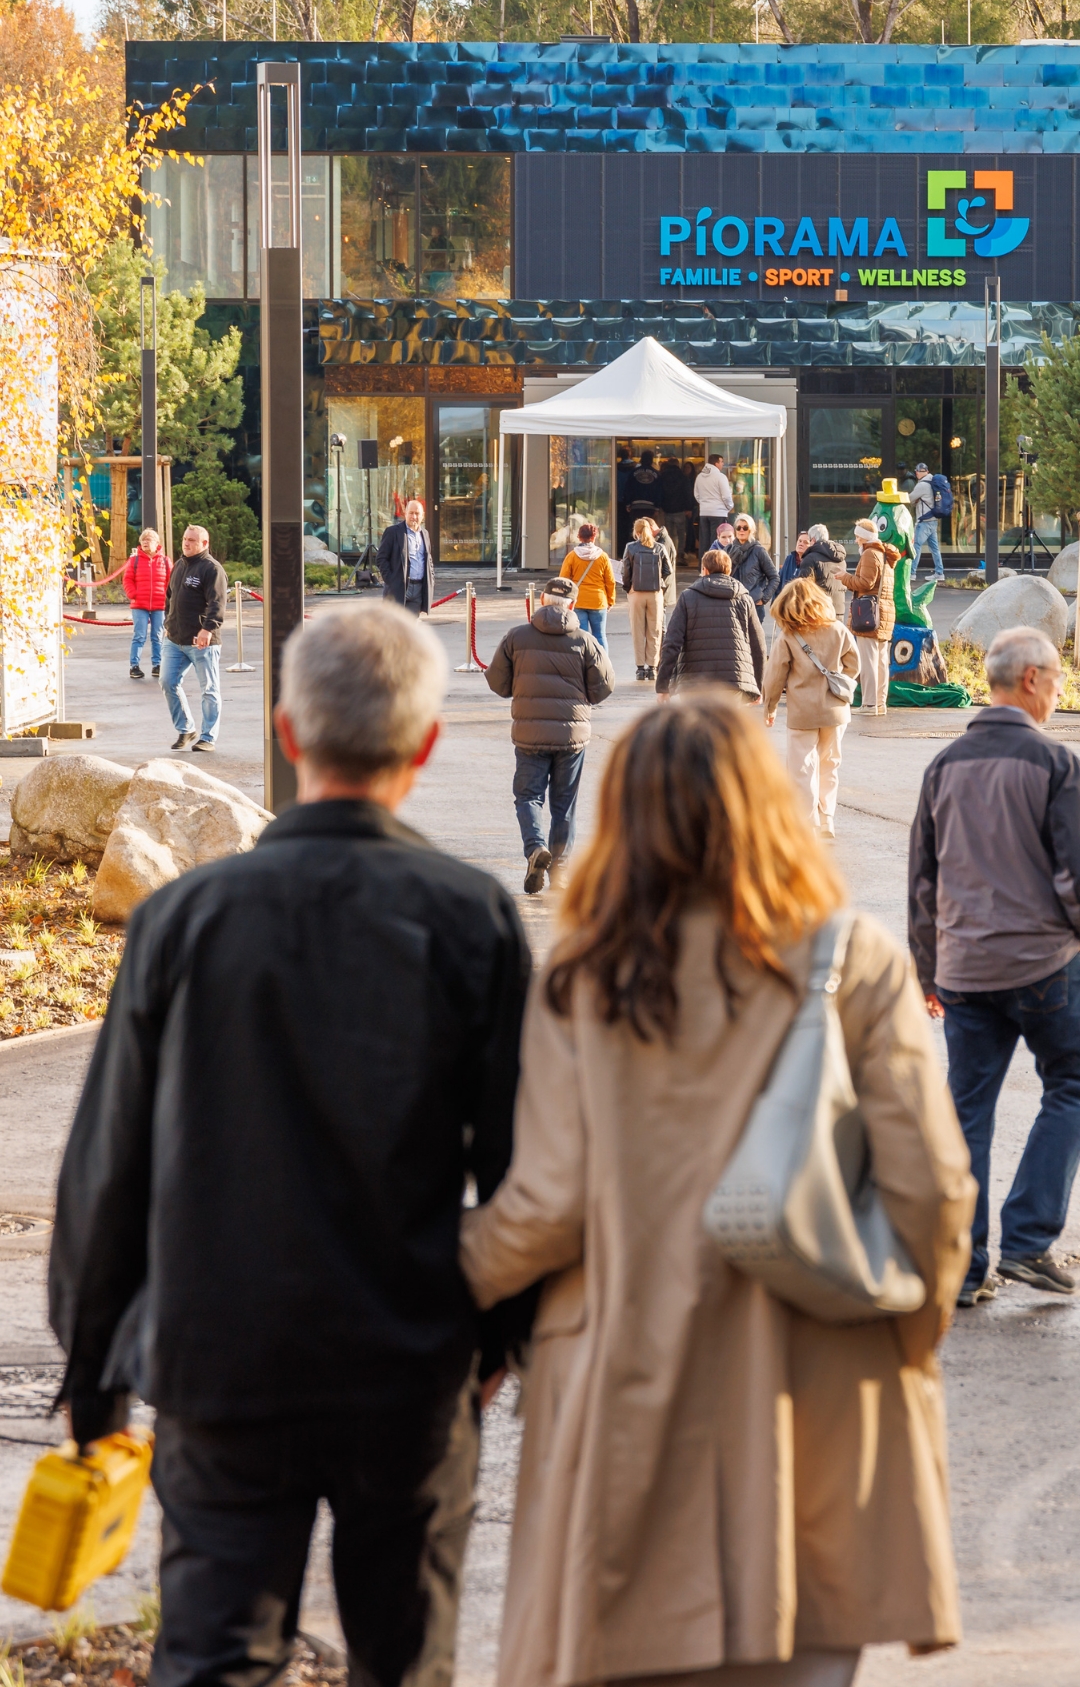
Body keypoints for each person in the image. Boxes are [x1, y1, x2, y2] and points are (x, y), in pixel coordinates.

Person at [48, 602, 533, 1687]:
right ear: (427, 745)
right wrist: (498, 1343)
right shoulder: (471, 917)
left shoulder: (185, 919)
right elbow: (519, 1167)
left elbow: (109, 1156)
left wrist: (94, 1375)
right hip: (406, 1360)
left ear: (286, 730)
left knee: (216, 1658)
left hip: (221, 1356)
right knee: (404, 1661)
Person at [460, 694, 975, 1687]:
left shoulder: (580, 978)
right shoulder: (854, 960)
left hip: (630, 1396)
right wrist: (905, 1339)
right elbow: (936, 1194)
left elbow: (546, 1208)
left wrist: (434, 1278)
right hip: (823, 1394)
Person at [909, 624, 1080, 1306]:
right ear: (1032, 680)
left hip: (963, 969)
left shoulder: (943, 766)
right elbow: (1073, 879)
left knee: (967, 1107)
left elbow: (923, 882)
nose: (1061, 694)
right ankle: (1031, 1239)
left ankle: (964, 1265)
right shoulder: (1054, 765)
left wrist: (928, 971)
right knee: (1071, 1081)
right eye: (1059, 682)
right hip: (1041, 964)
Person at [485, 576, 615, 894]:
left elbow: (498, 682)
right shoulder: (585, 640)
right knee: (564, 803)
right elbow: (605, 686)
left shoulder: (516, 637)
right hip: (572, 735)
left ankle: (534, 849)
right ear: (572, 605)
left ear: (541, 599)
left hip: (529, 733)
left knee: (528, 796)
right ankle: (561, 870)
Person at [763, 577, 859, 838]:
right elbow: (854, 665)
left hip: (802, 711)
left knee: (801, 767)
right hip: (836, 710)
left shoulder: (788, 636)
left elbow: (775, 677)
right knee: (830, 764)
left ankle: (806, 825)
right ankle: (827, 819)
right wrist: (838, 682)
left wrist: (770, 707)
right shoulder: (838, 629)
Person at [656, 547, 765, 703]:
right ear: (729, 570)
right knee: (727, 727)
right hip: (734, 682)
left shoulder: (688, 597)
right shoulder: (744, 599)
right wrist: (757, 687)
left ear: (704, 570)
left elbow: (671, 643)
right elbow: (759, 646)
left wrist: (663, 686)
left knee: (696, 727)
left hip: (694, 683)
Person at [161, 526, 228, 752]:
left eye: (192, 540)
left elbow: (217, 603)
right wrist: (167, 624)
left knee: (209, 689)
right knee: (168, 682)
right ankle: (186, 729)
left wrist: (207, 629)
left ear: (204, 543)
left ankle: (208, 737)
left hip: (202, 642)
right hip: (174, 639)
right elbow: (169, 598)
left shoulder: (212, 569)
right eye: (184, 539)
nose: (186, 543)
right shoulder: (179, 566)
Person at [837, 518, 898, 717]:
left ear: (864, 538)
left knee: (869, 659)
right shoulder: (884, 554)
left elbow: (865, 583)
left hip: (870, 613)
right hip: (884, 612)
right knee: (880, 660)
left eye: (857, 537)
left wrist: (844, 577)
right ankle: (880, 703)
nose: (856, 541)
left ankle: (870, 704)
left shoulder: (870, 554)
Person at [621, 517, 672, 680]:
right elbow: (667, 570)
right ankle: (652, 667)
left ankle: (640, 668)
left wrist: (628, 587)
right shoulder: (659, 547)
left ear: (636, 532)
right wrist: (659, 583)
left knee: (638, 630)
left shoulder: (630, 547)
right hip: (655, 593)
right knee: (655, 630)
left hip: (636, 592)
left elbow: (625, 571)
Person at [558, 522, 616, 650]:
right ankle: (602, 665)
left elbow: (563, 579)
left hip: (578, 601)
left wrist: (565, 600)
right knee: (600, 636)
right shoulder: (603, 557)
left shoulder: (572, 556)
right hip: (598, 601)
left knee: (581, 636)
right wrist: (610, 601)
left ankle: (582, 664)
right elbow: (610, 581)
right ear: (594, 537)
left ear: (579, 537)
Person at [124, 527, 171, 681]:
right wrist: (133, 594)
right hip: (139, 604)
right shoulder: (134, 560)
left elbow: (172, 581)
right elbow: (127, 579)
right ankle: (134, 666)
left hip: (159, 604)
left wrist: (167, 597)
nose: (145, 542)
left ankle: (157, 665)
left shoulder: (165, 561)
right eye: (143, 540)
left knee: (158, 635)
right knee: (139, 635)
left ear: (156, 543)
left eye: (148, 539)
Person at [377, 498, 435, 615]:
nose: (414, 517)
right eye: (411, 513)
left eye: (417, 513)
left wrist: (431, 578)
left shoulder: (425, 534)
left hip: (418, 589)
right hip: (398, 588)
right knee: (393, 627)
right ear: (405, 514)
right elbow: (381, 558)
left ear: (422, 516)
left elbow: (428, 559)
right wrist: (391, 580)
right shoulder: (393, 532)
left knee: (411, 628)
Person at [728, 513, 780, 624]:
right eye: (739, 527)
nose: (741, 530)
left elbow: (774, 577)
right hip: (732, 605)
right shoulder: (728, 550)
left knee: (753, 641)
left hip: (753, 606)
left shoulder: (758, 551)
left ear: (751, 530)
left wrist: (763, 598)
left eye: (745, 528)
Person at [798, 522, 848, 620]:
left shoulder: (810, 558)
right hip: (838, 611)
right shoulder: (841, 559)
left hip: (819, 611)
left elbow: (802, 588)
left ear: (813, 540)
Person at [909, 462, 946, 582]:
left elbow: (909, 498)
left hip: (924, 521)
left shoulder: (922, 485)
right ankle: (939, 573)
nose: (916, 474)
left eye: (917, 472)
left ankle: (911, 573)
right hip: (933, 520)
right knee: (934, 548)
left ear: (920, 472)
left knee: (916, 546)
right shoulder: (932, 481)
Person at [693, 451, 734, 558]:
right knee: (716, 541)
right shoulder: (720, 477)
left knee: (704, 541)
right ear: (716, 463)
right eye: (721, 462)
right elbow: (726, 496)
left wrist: (703, 504)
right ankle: (714, 564)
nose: (723, 464)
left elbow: (696, 495)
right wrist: (729, 507)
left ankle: (703, 566)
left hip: (704, 512)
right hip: (718, 512)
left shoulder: (699, 477)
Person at [659, 456, 695, 561]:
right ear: (677, 465)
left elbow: (660, 492)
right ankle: (680, 553)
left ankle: (670, 553)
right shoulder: (683, 476)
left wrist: (661, 505)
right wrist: (689, 508)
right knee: (681, 533)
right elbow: (687, 493)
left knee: (670, 533)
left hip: (667, 509)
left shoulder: (663, 476)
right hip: (680, 509)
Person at [649, 517, 679, 632]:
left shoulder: (663, 542)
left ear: (650, 528)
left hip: (662, 587)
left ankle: (663, 648)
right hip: (662, 587)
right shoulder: (660, 539)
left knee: (660, 623)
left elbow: (663, 568)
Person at [625, 450, 663, 526]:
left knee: (636, 530)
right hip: (650, 506)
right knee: (648, 529)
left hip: (635, 506)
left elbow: (628, 489)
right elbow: (659, 491)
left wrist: (628, 504)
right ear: (651, 459)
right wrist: (657, 507)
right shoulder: (656, 473)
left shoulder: (633, 473)